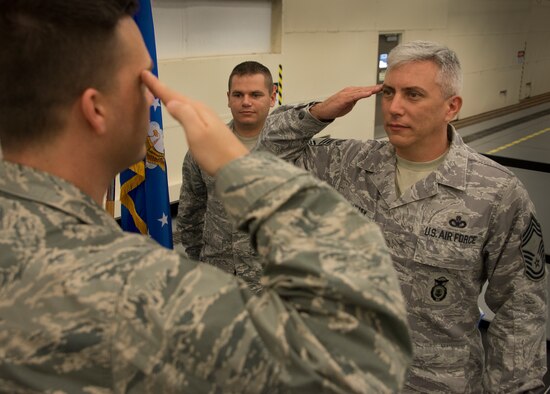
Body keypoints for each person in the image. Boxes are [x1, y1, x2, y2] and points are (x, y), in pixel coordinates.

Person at [0, 1, 413, 392]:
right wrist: (247, 171)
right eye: (142, 81)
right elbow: (363, 361)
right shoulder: (141, 291)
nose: (153, 99)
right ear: (97, 109)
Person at [259, 40, 547, 393]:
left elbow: (521, 308)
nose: (394, 108)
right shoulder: (350, 164)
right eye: (389, 92)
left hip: (435, 383)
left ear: (451, 107)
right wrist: (319, 112)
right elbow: (269, 150)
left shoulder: (496, 192)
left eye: (413, 95)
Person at [176, 61, 329, 294]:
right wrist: (200, 261)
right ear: (228, 98)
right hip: (220, 278)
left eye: (255, 94)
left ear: (272, 97)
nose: (246, 102)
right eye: (238, 94)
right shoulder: (204, 149)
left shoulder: (300, 150)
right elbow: (191, 213)